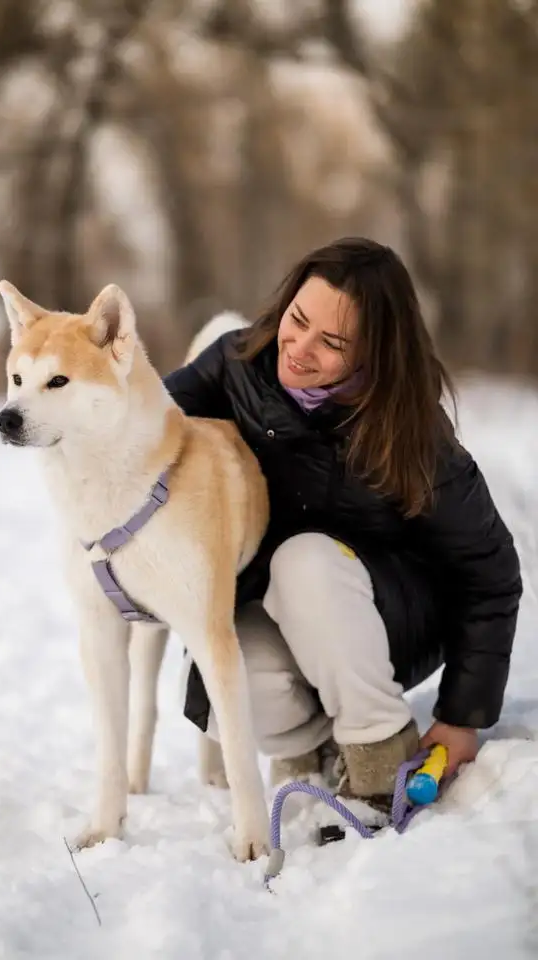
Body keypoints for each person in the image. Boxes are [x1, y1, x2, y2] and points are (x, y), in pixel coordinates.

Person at [163, 237, 523, 823]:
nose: (299, 348)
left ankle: (379, 754)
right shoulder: (234, 366)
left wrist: (462, 716)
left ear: (374, 355)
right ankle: (317, 749)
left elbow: (492, 575)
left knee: (304, 561)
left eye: (331, 342)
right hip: (275, 605)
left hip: (387, 617)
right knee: (226, 677)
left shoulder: (410, 430)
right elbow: (147, 432)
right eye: (297, 321)